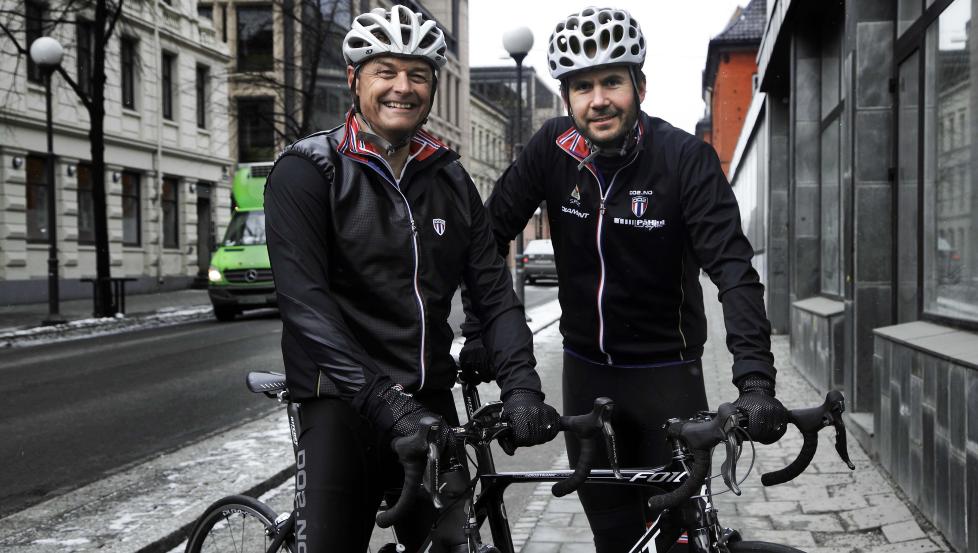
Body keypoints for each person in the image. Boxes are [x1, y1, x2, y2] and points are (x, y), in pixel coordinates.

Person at [460, 7, 789, 552]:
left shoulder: (684, 159)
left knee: (680, 537)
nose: (598, 100)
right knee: (613, 536)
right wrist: (478, 329)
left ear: (640, 85)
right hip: (586, 376)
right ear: (567, 96)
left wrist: (755, 381)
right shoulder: (551, 149)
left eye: (612, 81)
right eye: (582, 86)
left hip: (669, 377)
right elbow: (484, 241)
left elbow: (733, 272)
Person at [264, 7, 560, 553]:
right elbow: (305, 306)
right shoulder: (308, 170)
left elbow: (494, 296)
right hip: (341, 404)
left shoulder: (450, 179)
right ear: (354, 79)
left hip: (427, 402)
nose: (403, 87)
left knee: (454, 544)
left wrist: (522, 388)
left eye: (418, 74)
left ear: (432, 86)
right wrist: (384, 400)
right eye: (386, 71)